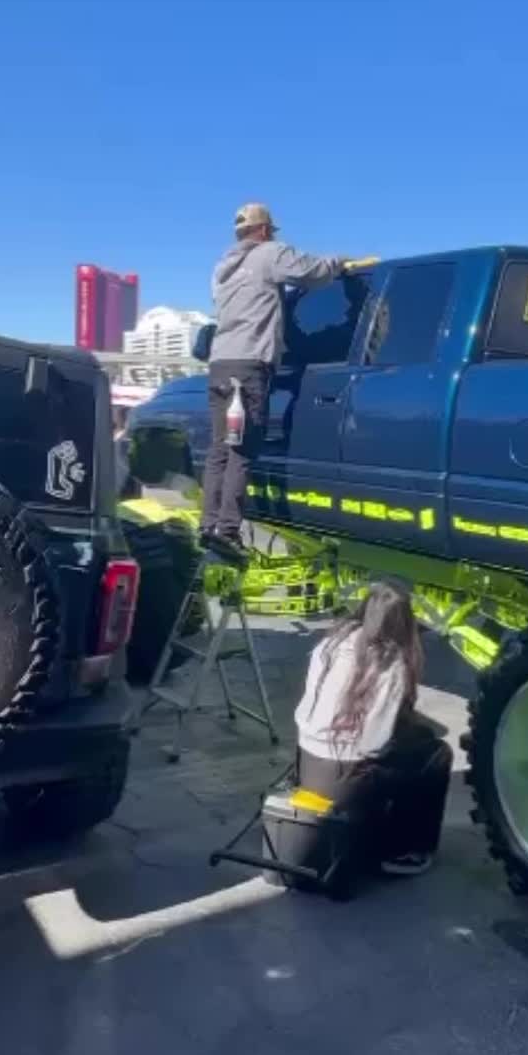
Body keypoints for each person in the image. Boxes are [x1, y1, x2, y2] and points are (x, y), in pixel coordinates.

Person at [202, 203, 342, 560]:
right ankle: (227, 532)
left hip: (220, 364)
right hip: (250, 365)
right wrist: (339, 264)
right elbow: (312, 271)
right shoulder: (270, 254)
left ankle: (208, 525)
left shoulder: (222, 269)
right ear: (264, 230)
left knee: (219, 449)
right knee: (242, 450)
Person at [293, 580, 452, 877]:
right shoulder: (391, 664)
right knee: (437, 754)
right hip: (345, 780)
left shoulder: (329, 645)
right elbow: (373, 744)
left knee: (418, 740)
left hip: (309, 762)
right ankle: (407, 850)